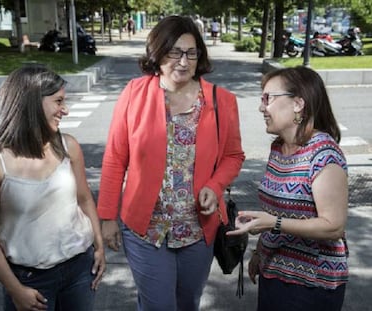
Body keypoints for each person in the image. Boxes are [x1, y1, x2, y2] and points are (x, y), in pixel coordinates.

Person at [97, 15, 245, 311]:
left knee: (188, 302)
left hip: (197, 229)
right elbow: (115, 157)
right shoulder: (134, 94)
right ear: (157, 52)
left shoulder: (221, 100)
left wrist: (215, 186)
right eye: (174, 52)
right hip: (144, 228)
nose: (183, 61)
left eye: (191, 52)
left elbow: (233, 156)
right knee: (158, 306)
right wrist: (108, 216)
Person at [0, 65, 106, 311]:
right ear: (31, 103)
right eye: (58, 101)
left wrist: (99, 246)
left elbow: (84, 199)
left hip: (80, 269)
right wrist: (14, 289)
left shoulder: (68, 146)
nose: (66, 110)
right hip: (29, 279)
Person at [228, 66, 349, 311]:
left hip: (312, 284)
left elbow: (333, 226)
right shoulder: (279, 148)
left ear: (298, 104)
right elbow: (277, 212)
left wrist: (273, 223)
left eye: (268, 98)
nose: (261, 107)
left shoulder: (324, 154)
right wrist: (260, 251)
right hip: (275, 273)